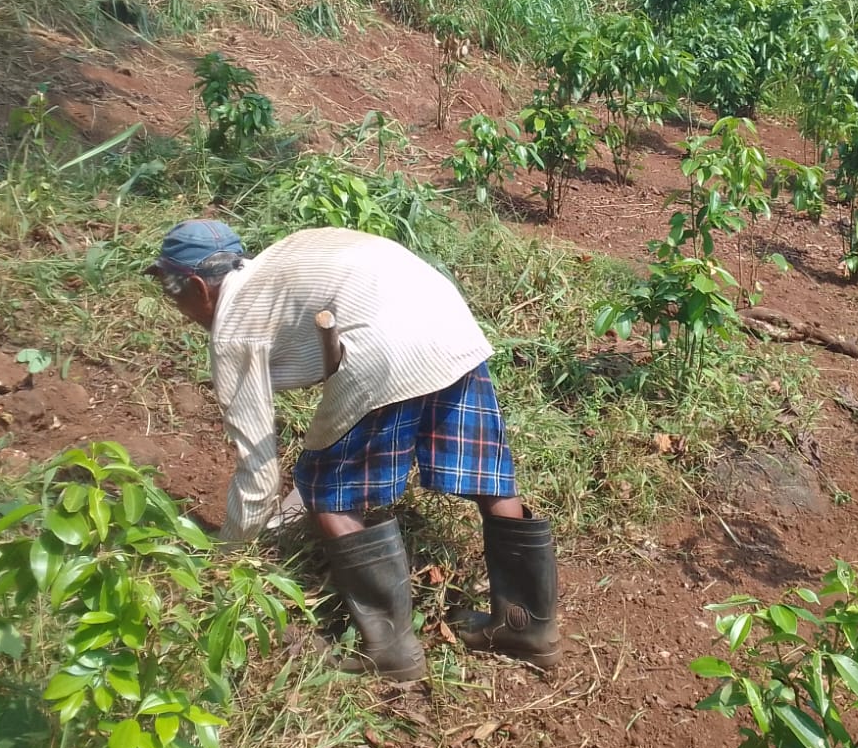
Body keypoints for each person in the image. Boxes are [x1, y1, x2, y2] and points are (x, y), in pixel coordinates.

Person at [145, 219, 560, 681]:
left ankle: (391, 650)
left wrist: (226, 557)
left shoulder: (235, 326)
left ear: (198, 286)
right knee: (486, 472)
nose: (173, 305)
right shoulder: (281, 264)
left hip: (386, 345)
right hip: (449, 321)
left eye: (169, 290)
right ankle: (528, 626)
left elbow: (261, 477)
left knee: (326, 491)